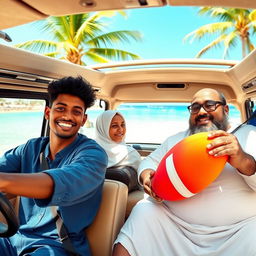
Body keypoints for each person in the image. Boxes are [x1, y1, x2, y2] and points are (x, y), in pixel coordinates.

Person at [113, 88, 256, 256]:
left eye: (210, 105)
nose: (201, 112)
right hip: (175, 227)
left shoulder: (249, 136)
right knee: (144, 210)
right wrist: (147, 175)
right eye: (195, 107)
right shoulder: (178, 139)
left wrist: (244, 161)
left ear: (225, 110)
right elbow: (149, 161)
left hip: (238, 231)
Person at [0, 76, 108, 256]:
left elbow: (60, 181)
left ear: (83, 119)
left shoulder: (93, 155)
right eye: (61, 109)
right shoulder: (30, 148)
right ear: (48, 113)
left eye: (76, 111)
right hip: (15, 238)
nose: (67, 116)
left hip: (60, 246)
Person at [95, 110, 141, 191]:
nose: (120, 129)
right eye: (114, 126)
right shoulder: (130, 153)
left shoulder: (89, 149)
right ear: (103, 128)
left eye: (123, 125)